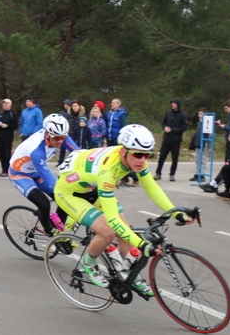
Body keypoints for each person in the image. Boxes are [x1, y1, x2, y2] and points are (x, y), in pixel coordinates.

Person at [54, 124, 193, 295]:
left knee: (125, 227)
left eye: (147, 155)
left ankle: (130, 275)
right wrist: (142, 245)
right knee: (108, 232)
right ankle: (88, 263)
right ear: (123, 152)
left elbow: (152, 188)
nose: (142, 160)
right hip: (69, 192)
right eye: (138, 154)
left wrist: (176, 212)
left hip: (91, 186)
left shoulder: (134, 158)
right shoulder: (108, 170)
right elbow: (113, 220)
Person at [8, 114, 79, 234]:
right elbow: (47, 176)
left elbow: (79, 153)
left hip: (35, 171)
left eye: (63, 137)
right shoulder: (36, 150)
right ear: (47, 134)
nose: (60, 141)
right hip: (20, 175)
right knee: (45, 204)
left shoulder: (59, 135)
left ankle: (58, 230)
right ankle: (49, 230)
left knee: (64, 199)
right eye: (57, 138)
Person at [155, 98, 187, 182]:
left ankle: (172, 174)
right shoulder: (168, 113)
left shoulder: (183, 115)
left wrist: (172, 130)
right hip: (166, 139)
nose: (172, 104)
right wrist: (165, 127)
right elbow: (163, 123)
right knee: (162, 156)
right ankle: (158, 173)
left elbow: (184, 127)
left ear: (178, 105)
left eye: (174, 103)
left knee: (174, 158)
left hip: (176, 140)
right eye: (172, 103)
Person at [0, 98, 18, 177]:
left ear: (10, 105)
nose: (4, 105)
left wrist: (7, 125)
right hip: (0, 135)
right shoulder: (1, 113)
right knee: (1, 153)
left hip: (8, 136)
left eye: (6, 103)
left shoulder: (12, 114)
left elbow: (15, 125)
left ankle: (7, 170)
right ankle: (3, 170)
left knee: (7, 152)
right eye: (3, 103)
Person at [188, 107, 209, 182]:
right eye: (199, 114)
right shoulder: (199, 123)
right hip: (198, 143)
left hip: (203, 143)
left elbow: (208, 134)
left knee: (202, 160)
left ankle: (202, 174)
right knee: (197, 160)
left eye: (201, 114)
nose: (199, 115)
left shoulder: (207, 123)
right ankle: (197, 174)